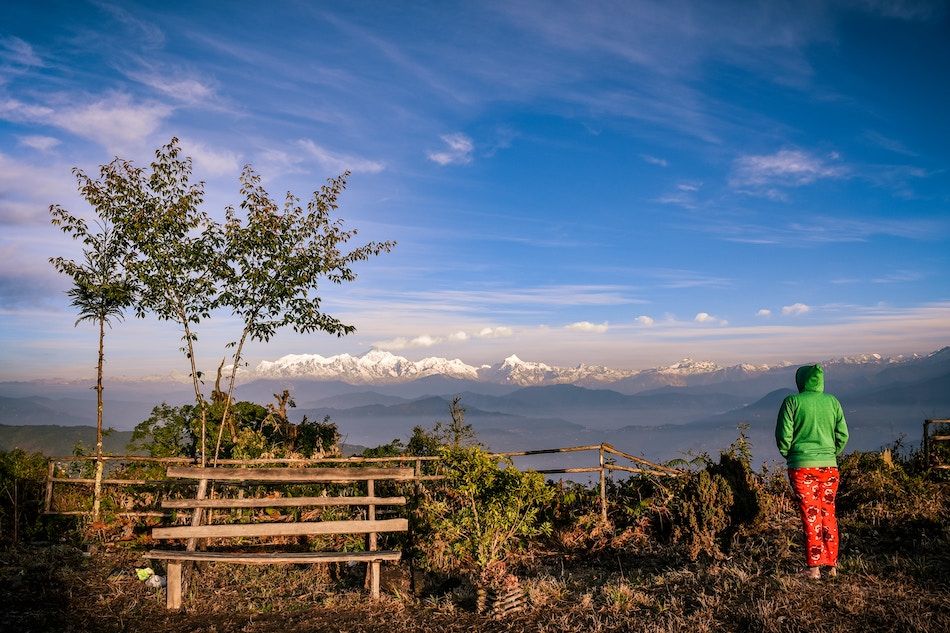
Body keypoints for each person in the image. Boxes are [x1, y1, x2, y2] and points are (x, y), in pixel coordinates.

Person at [775, 363, 849, 579]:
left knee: (811, 515)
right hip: (829, 467)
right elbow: (842, 434)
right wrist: (830, 453)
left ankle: (814, 569)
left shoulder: (792, 402)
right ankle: (832, 565)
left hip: (801, 467)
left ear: (801, 381)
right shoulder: (832, 401)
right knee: (828, 512)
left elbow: (783, 436)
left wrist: (790, 454)